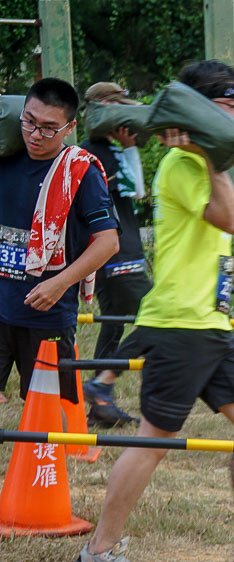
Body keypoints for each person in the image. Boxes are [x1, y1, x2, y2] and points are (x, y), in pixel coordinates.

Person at [69, 60, 234, 562]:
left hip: (209, 324)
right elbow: (233, 220)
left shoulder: (198, 162)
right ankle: (97, 553)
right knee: (153, 441)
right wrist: (210, 155)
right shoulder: (184, 163)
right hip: (181, 324)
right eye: (225, 108)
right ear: (200, 113)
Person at [0, 78, 119, 407]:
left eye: (49, 128)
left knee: (49, 411)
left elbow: (107, 242)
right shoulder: (5, 156)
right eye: (29, 122)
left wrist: (59, 283)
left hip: (46, 314)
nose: (35, 135)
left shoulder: (79, 172)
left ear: (70, 127)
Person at [78, 82, 152, 428]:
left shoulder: (88, 150)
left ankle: (100, 406)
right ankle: (100, 383)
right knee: (158, 319)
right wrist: (129, 149)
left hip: (106, 256)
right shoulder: (99, 152)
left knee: (113, 326)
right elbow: (136, 191)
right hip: (122, 255)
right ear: (106, 107)